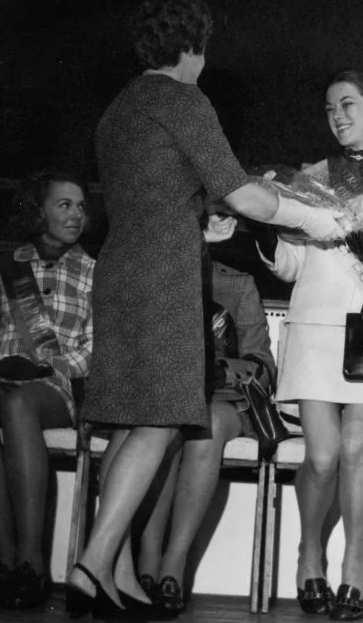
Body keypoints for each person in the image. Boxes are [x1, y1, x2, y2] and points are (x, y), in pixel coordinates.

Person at [66, 0, 345, 616]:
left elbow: (163, 189)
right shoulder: (183, 98)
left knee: (134, 420)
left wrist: (199, 212)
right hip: (164, 275)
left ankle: (119, 577)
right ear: (191, 45)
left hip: (121, 269)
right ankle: (90, 564)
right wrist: (313, 220)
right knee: (161, 420)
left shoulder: (120, 107)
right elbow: (244, 196)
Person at [263, 70, 363, 621]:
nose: (337, 115)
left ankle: (355, 568)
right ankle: (310, 553)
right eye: (330, 107)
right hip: (313, 329)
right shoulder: (311, 177)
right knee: (322, 454)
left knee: (357, 448)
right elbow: (290, 266)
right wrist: (271, 226)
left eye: (349, 104)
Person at [101, 207, 277, 617]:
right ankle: (147, 555)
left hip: (224, 401)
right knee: (170, 422)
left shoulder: (238, 284)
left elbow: (262, 365)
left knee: (206, 424)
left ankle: (174, 564)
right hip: (169, 397)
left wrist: (219, 371)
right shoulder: (154, 278)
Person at [0, 169, 94, 609]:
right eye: (64, 204)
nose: (75, 214)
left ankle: (33, 563)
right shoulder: (4, 267)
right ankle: (5, 563)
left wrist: (49, 365)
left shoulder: (95, 273)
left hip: (52, 388)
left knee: (20, 403)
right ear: (38, 212)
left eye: (80, 206)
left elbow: (95, 348)